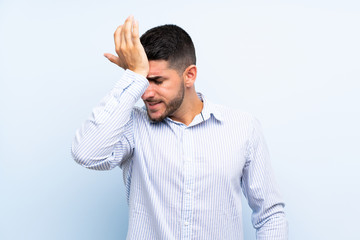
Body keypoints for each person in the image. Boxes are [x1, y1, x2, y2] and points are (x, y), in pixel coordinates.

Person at [72, 15, 288, 240]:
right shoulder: (133, 126)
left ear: (189, 75)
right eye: (143, 82)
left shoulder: (243, 128)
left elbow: (270, 215)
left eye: (157, 81)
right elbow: (86, 154)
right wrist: (132, 77)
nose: (146, 93)